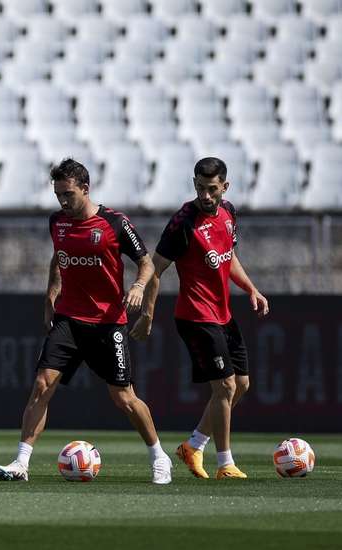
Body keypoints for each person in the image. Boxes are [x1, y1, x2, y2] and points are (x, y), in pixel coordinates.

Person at [0, 158, 172, 485]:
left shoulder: (114, 223)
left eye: (68, 194)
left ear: (85, 189)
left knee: (123, 398)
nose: (63, 201)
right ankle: (21, 462)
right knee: (42, 384)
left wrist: (137, 287)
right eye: (58, 194)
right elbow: (59, 257)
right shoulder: (57, 222)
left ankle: (159, 456)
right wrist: (51, 295)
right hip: (69, 319)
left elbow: (146, 264)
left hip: (107, 322)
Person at [131, 157, 269, 480]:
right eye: (200, 188)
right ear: (194, 184)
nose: (205, 196)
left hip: (222, 313)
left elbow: (229, 256)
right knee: (225, 385)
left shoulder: (229, 213)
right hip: (195, 316)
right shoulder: (183, 223)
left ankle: (194, 445)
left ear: (225, 187)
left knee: (242, 386)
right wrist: (148, 316)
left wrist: (251, 288)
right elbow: (155, 269)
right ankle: (225, 464)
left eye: (212, 189)